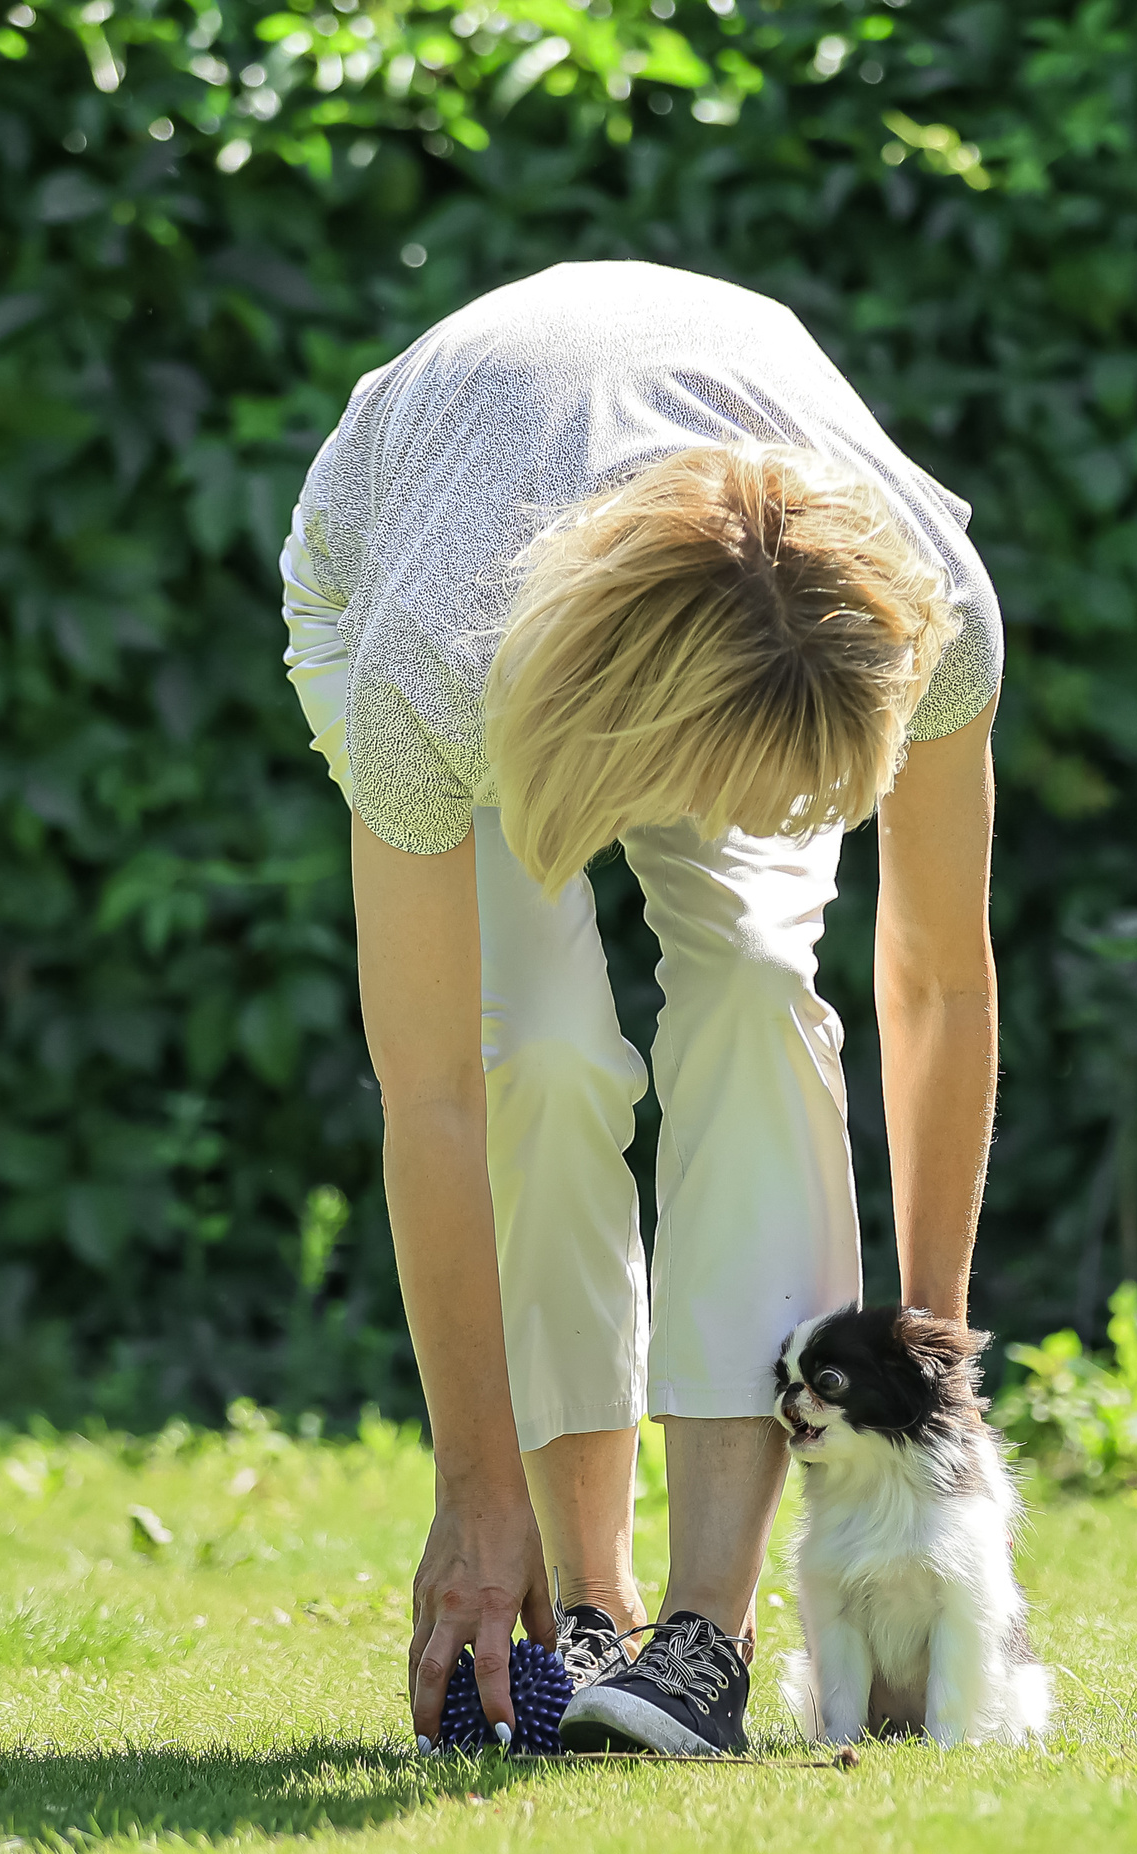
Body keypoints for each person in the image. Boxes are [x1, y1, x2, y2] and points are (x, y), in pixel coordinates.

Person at [277, 260, 1002, 1756]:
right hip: (421, 543)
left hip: (732, 608)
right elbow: (436, 1095)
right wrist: (471, 1495)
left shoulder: (920, 617)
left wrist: (936, 1390)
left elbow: (933, 978)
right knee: (535, 1047)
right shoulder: (436, 667)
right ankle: (584, 1600)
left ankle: (701, 1639)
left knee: (749, 981)